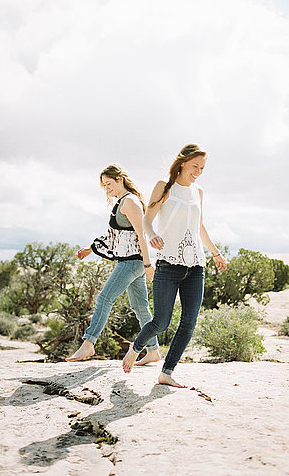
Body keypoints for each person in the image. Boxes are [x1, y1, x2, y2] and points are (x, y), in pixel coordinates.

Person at [122, 144, 227, 387]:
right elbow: (147, 218)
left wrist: (215, 253)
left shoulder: (198, 192)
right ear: (183, 163)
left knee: (189, 321)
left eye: (202, 168)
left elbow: (199, 226)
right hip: (169, 263)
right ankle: (136, 347)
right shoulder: (165, 187)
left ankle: (166, 372)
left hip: (196, 265)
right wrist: (152, 234)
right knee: (161, 321)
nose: (198, 172)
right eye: (195, 166)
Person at [66, 165, 160, 364]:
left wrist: (148, 264)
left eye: (109, 184)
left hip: (132, 262)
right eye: (104, 186)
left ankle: (89, 343)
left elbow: (142, 235)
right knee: (140, 307)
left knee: (104, 299)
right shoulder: (121, 203)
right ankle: (153, 351)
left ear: (120, 180)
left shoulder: (131, 202)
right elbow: (113, 236)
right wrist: (90, 249)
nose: (106, 189)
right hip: (133, 262)